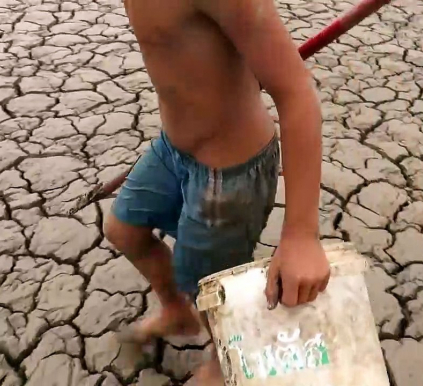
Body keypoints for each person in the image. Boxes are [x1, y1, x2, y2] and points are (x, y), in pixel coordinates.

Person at [103, 0, 330, 382]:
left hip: (229, 173)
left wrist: (301, 235)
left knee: (209, 288)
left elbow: (297, 93)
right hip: (173, 149)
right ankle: (176, 313)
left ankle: (225, 360)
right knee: (124, 231)